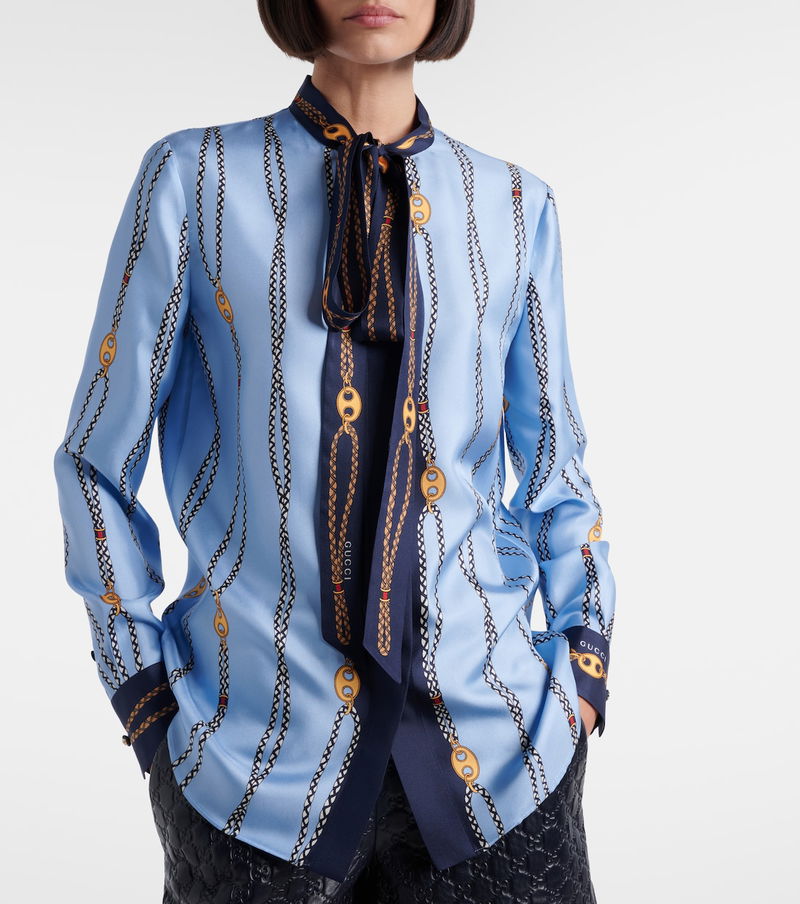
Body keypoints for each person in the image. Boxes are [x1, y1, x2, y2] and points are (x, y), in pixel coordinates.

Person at [52, 1, 616, 901]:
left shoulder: (514, 206)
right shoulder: (193, 181)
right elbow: (95, 460)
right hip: (250, 768)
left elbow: (555, 469)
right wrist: (147, 703)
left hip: (501, 763)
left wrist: (583, 663)